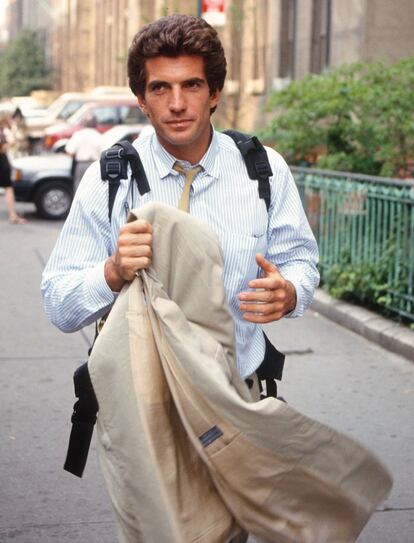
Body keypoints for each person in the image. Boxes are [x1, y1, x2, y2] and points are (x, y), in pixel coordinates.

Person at [42, 13, 319, 392]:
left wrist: (289, 293)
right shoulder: (110, 179)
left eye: (191, 85)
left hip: (239, 395)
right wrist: (113, 271)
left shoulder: (264, 170)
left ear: (214, 93)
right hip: (140, 405)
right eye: (160, 88)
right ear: (141, 99)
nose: (176, 104)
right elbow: (59, 303)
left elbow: (300, 262)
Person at [65, 114, 102, 191]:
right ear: (95, 124)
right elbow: (103, 153)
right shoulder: (99, 136)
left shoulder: (78, 135)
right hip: (95, 165)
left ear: (84, 123)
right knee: (94, 189)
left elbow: (70, 152)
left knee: (79, 188)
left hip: (81, 165)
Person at [0, 118, 27, 224]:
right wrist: (7, 145)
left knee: (8, 188)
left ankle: (13, 215)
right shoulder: (4, 131)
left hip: (3, 161)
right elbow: (4, 147)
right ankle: (13, 215)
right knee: (8, 188)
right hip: (2, 161)